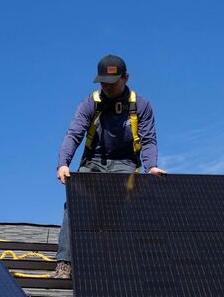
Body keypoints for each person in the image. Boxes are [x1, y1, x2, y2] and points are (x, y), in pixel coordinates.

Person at [54, 54, 165, 278]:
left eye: (111, 83)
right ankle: (65, 262)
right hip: (94, 161)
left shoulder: (140, 105)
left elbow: (148, 140)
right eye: (103, 82)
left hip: (125, 163)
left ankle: (119, 261)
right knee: (75, 203)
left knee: (121, 204)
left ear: (126, 78)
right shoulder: (90, 103)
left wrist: (151, 166)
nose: (106, 86)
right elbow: (74, 133)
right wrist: (63, 163)